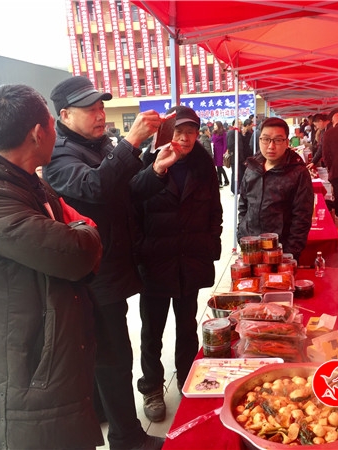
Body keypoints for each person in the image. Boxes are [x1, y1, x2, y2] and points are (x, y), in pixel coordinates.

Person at [0, 84, 104, 449]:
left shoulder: (24, 181)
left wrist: (74, 227)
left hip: (46, 344)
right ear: (39, 133)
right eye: (52, 125)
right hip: (24, 358)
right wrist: (85, 229)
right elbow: (77, 253)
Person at [43, 76, 164, 450]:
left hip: (112, 266)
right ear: (65, 115)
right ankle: (127, 438)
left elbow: (126, 193)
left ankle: (102, 412)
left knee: (107, 352)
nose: (100, 115)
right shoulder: (60, 155)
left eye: (101, 108)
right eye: (91, 110)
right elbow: (95, 187)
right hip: (93, 273)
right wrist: (132, 142)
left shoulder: (100, 146)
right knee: (114, 356)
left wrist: (156, 170)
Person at [131, 105, 222, 423]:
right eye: (179, 131)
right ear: (168, 132)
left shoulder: (204, 165)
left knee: (187, 327)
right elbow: (133, 208)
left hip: (190, 260)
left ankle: (187, 378)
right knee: (151, 332)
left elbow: (214, 210)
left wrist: (210, 245)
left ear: (198, 134)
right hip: (156, 262)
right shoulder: (148, 162)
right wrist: (140, 251)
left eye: (191, 132)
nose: (185, 138)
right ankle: (152, 387)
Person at [237, 117, 314, 261]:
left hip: (281, 253)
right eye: (266, 139)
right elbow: (243, 206)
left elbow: (302, 218)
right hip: (251, 249)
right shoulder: (252, 167)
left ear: (287, 142)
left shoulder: (298, 172)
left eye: (278, 140)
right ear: (259, 140)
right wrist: (242, 233)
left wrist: (290, 254)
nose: (271, 146)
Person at [211, 120, 229, 186]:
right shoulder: (214, 132)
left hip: (220, 151)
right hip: (215, 151)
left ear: (219, 125)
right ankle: (220, 181)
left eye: (215, 125)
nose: (214, 126)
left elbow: (225, 143)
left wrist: (224, 152)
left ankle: (225, 180)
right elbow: (212, 141)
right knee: (218, 167)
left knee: (219, 166)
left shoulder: (223, 133)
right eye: (214, 125)